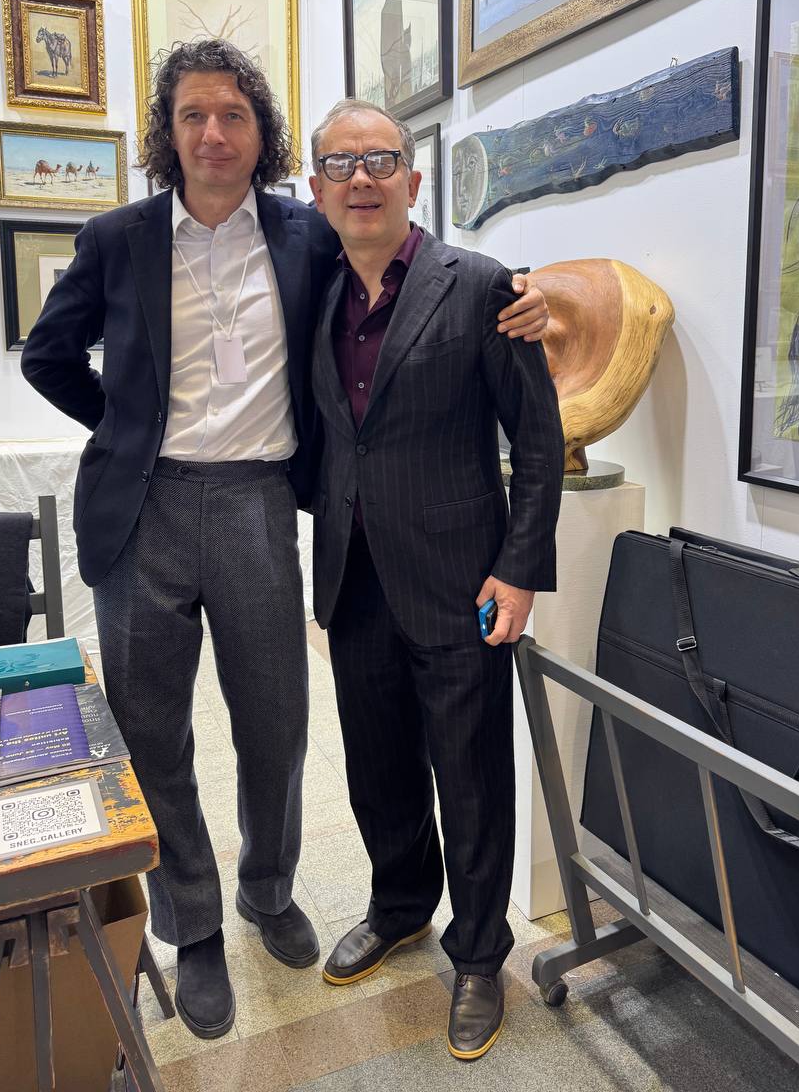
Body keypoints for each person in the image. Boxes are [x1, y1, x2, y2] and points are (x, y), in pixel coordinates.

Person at [20, 40, 549, 1040]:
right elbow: (48, 356)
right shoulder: (117, 238)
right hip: (144, 512)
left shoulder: (304, 234)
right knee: (155, 731)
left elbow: (408, 263)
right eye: (192, 114)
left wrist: (523, 295)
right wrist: (126, 429)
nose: (213, 132)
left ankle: (267, 888)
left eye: (233, 114)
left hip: (261, 502)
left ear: (262, 136)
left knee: (276, 723)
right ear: (167, 132)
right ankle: (194, 924)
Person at [307, 99, 564, 1060]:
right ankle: (401, 903)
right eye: (341, 164)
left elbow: (538, 442)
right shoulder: (314, 288)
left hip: (461, 579)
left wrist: (520, 570)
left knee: (471, 776)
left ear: (414, 181)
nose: (361, 179)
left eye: (380, 160)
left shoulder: (484, 285)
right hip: (354, 574)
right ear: (317, 189)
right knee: (375, 765)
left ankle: (480, 955)